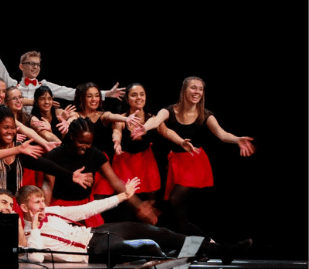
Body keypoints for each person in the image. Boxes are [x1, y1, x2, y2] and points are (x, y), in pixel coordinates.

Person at [131, 76, 256, 234]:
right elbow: (156, 120)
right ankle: (197, 246)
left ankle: (192, 246)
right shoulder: (170, 110)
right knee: (180, 210)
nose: (197, 92)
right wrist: (144, 128)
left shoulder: (205, 115)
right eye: (193, 88)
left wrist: (237, 139)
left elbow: (222, 134)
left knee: (176, 201)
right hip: (176, 163)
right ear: (184, 90)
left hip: (195, 162)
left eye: (200, 89)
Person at [17, 182, 252, 265]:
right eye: (36, 203)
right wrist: (36, 228)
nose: (42, 206)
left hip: (96, 232)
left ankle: (221, 251)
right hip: (92, 251)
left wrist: (122, 196)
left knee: (161, 233)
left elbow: (87, 209)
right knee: (146, 246)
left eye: (41, 200)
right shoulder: (26, 235)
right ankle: (180, 259)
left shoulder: (53, 211)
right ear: (25, 208)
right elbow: (36, 258)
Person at [0, 8, 124, 113]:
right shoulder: (12, 85)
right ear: (21, 66)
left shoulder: (45, 86)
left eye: (37, 64)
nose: (35, 67)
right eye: (31, 63)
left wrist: (106, 94)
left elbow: (73, 93)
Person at [42, 118, 159, 227]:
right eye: (81, 141)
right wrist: (43, 212)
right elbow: (48, 185)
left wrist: (138, 205)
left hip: (87, 208)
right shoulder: (54, 155)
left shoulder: (95, 154)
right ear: (71, 136)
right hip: (61, 208)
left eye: (88, 143)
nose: (84, 146)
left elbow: (115, 182)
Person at [0, 105, 92, 207]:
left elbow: (43, 164)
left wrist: (70, 175)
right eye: (5, 127)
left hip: (12, 207)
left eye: (13, 128)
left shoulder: (20, 148)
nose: (10, 132)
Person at [110, 83, 162, 217]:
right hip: (125, 163)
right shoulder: (121, 118)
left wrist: (181, 141)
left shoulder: (152, 118)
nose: (139, 98)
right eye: (134, 95)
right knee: (128, 204)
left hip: (146, 161)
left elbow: (166, 132)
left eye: (142, 94)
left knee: (151, 201)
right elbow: (117, 131)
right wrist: (116, 141)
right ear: (127, 99)